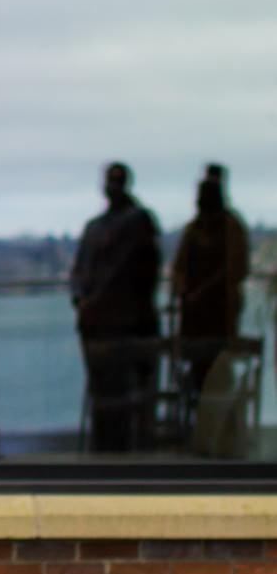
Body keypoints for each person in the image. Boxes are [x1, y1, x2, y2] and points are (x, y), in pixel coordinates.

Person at [70, 161, 161, 454]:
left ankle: (120, 450)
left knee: (124, 391)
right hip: (97, 324)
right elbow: (79, 269)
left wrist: (92, 302)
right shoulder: (94, 227)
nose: (112, 186)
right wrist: (81, 299)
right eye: (109, 180)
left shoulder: (137, 221)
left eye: (117, 180)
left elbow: (124, 270)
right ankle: (105, 447)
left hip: (124, 323)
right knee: (103, 391)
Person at [172, 164, 251, 396]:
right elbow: (179, 268)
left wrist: (202, 293)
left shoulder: (231, 227)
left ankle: (221, 425)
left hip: (220, 315)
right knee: (198, 373)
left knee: (219, 373)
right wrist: (184, 291)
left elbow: (236, 268)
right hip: (194, 320)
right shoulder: (192, 230)